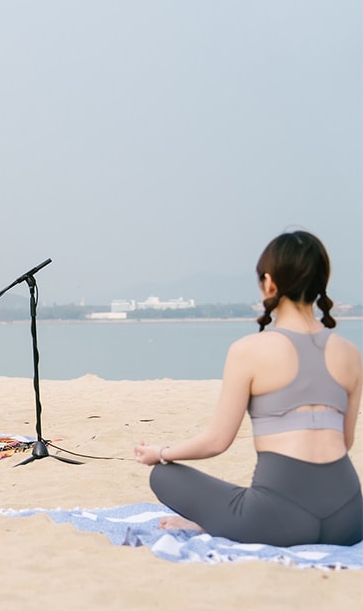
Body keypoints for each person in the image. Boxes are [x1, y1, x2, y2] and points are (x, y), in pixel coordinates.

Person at [134, 231, 362, 546]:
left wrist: (159, 453)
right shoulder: (350, 353)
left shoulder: (249, 350)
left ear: (269, 283)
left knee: (163, 475)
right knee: (258, 495)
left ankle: (213, 522)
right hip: (349, 520)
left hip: (279, 522)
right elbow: (345, 441)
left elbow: (217, 442)